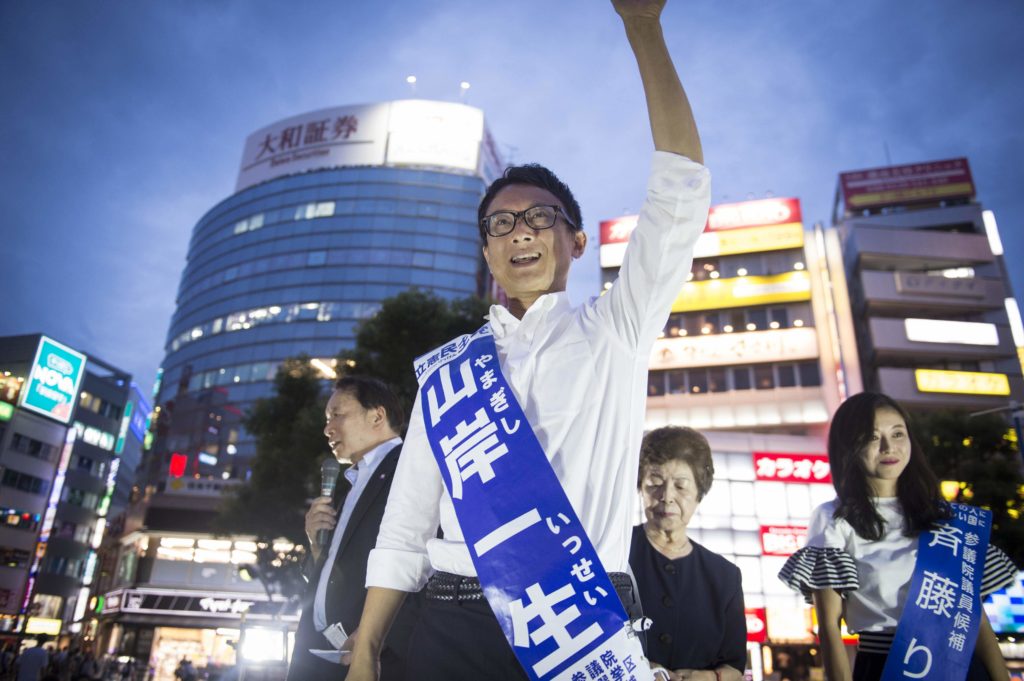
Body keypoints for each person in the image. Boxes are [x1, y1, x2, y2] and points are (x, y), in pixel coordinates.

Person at [348, 1, 710, 678]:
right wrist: (365, 649)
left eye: (540, 217)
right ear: (487, 254)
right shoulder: (449, 376)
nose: (519, 231)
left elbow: (681, 195)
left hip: (580, 621)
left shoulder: (616, 328)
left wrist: (644, 30)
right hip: (451, 627)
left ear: (577, 241)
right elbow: (406, 523)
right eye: (500, 224)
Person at [779, 392, 1017, 681]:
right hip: (887, 665)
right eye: (872, 437)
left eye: (898, 433)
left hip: (960, 664)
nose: (888, 447)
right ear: (848, 446)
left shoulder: (945, 516)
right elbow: (830, 627)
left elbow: (973, 617)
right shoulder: (833, 518)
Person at [286, 375, 415, 681]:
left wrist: (375, 638)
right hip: (320, 655)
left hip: (373, 658)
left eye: (337, 415)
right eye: (326, 419)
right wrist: (316, 548)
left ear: (377, 415)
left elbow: (422, 562)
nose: (327, 429)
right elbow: (334, 575)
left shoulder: (410, 467)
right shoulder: (353, 486)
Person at [630, 427, 746, 681]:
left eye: (680, 486)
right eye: (655, 483)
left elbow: (735, 665)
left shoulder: (725, 576)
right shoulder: (616, 553)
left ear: (699, 494)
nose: (667, 497)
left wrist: (708, 678)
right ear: (640, 487)